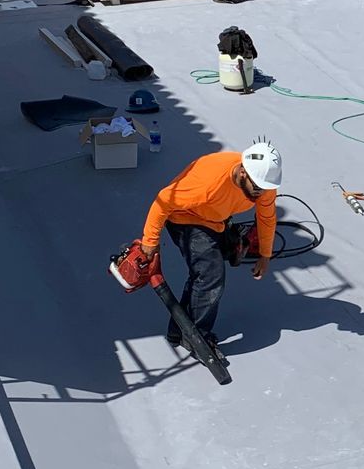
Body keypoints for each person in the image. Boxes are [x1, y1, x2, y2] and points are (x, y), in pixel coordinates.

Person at [115, 141, 280, 350]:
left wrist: (265, 255)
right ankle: (195, 336)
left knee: (205, 270)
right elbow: (162, 202)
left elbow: (266, 218)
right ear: (243, 173)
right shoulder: (207, 184)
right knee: (210, 275)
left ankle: (178, 331)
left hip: (215, 218)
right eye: (257, 189)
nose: (261, 194)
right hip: (186, 218)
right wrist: (150, 242)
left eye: (266, 189)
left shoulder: (263, 183)